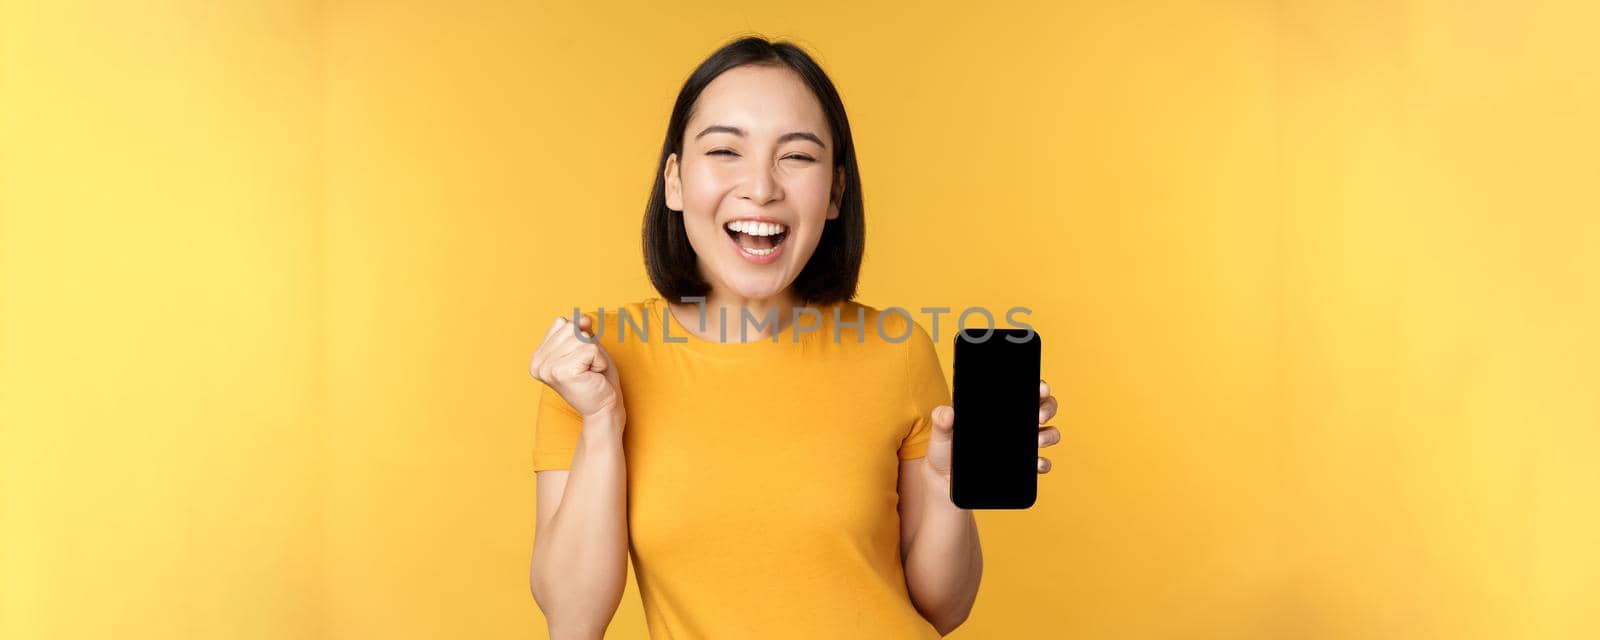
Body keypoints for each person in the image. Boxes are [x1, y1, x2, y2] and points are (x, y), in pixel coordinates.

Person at [526, 36, 1063, 639]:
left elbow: (944, 608)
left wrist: (946, 485)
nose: (761, 188)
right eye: (725, 150)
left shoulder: (898, 347)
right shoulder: (595, 363)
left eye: (798, 157)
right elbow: (572, 620)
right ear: (675, 181)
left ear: (835, 193)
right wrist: (602, 423)